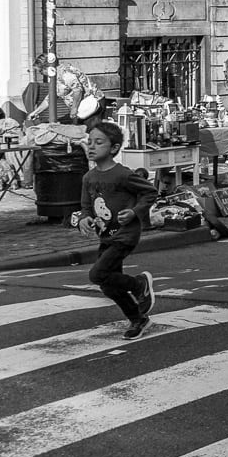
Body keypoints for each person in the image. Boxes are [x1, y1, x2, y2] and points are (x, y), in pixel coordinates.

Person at [76, 121, 158, 340]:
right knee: (108, 284)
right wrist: (84, 219)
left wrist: (134, 212)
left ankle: (139, 283)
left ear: (113, 148)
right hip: (106, 236)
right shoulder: (88, 178)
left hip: (124, 236)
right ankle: (138, 319)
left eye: (99, 142)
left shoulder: (123, 174)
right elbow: (86, 207)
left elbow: (150, 192)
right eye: (89, 142)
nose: (91, 146)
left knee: (97, 274)